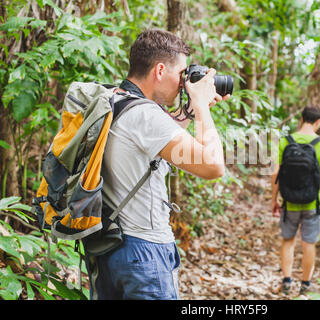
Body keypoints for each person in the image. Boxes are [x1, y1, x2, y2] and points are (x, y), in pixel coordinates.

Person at [88, 28, 228, 300]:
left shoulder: (116, 100)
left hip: (109, 246)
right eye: (182, 74)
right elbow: (213, 166)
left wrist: (188, 110)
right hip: (144, 254)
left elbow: (158, 138)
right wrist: (201, 107)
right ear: (160, 70)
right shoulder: (145, 115)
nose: (184, 82)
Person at [271, 105, 320, 295]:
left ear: (301, 119)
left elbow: (276, 172)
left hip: (289, 201)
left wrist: (274, 200)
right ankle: (305, 286)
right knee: (309, 243)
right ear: (318, 122)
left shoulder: (286, 141)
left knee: (288, 240)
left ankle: (286, 282)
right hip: (312, 204)